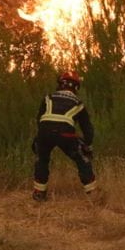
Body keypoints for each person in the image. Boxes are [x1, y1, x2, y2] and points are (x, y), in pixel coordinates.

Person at [32, 71, 98, 201]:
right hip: (65, 133)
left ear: (60, 84)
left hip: (44, 132)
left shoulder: (48, 98)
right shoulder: (79, 104)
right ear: (76, 87)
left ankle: (39, 193)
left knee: (42, 159)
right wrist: (87, 145)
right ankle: (94, 195)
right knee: (81, 159)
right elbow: (87, 129)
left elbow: (40, 119)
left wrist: (39, 138)